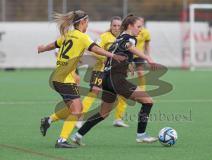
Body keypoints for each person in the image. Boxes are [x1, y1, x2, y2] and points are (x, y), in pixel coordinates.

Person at [37, 10, 125, 148]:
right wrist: (113, 56)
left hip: (59, 77)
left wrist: (42, 48)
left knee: (75, 109)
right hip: (64, 79)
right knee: (77, 111)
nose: (88, 25)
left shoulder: (68, 34)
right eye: (87, 22)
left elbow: (53, 45)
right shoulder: (83, 37)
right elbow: (96, 49)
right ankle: (62, 140)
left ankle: (48, 120)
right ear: (83, 22)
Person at [71, 14, 159, 145]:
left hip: (106, 79)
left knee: (103, 113)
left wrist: (127, 64)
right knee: (148, 102)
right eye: (138, 27)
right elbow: (130, 47)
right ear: (130, 26)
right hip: (116, 79)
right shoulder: (130, 38)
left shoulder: (120, 37)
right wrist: (147, 57)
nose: (140, 30)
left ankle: (77, 135)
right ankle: (141, 135)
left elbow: (117, 54)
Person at [75, 16, 129, 128]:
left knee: (123, 93)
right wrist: (105, 58)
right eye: (114, 25)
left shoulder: (124, 38)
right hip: (101, 69)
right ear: (110, 26)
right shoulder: (104, 37)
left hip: (116, 72)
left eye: (119, 26)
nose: (116, 28)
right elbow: (93, 51)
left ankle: (118, 119)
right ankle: (79, 119)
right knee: (93, 92)